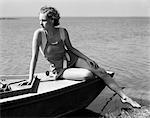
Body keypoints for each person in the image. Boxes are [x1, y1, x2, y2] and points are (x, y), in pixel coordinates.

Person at [20, 6, 141, 108]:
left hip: (71, 58)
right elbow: (34, 58)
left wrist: (88, 59)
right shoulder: (39, 34)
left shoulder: (62, 31)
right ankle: (90, 75)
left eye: (43, 20)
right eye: (40, 20)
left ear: (52, 20)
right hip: (59, 69)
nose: (41, 23)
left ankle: (125, 97)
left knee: (100, 71)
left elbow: (71, 48)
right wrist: (30, 78)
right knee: (87, 75)